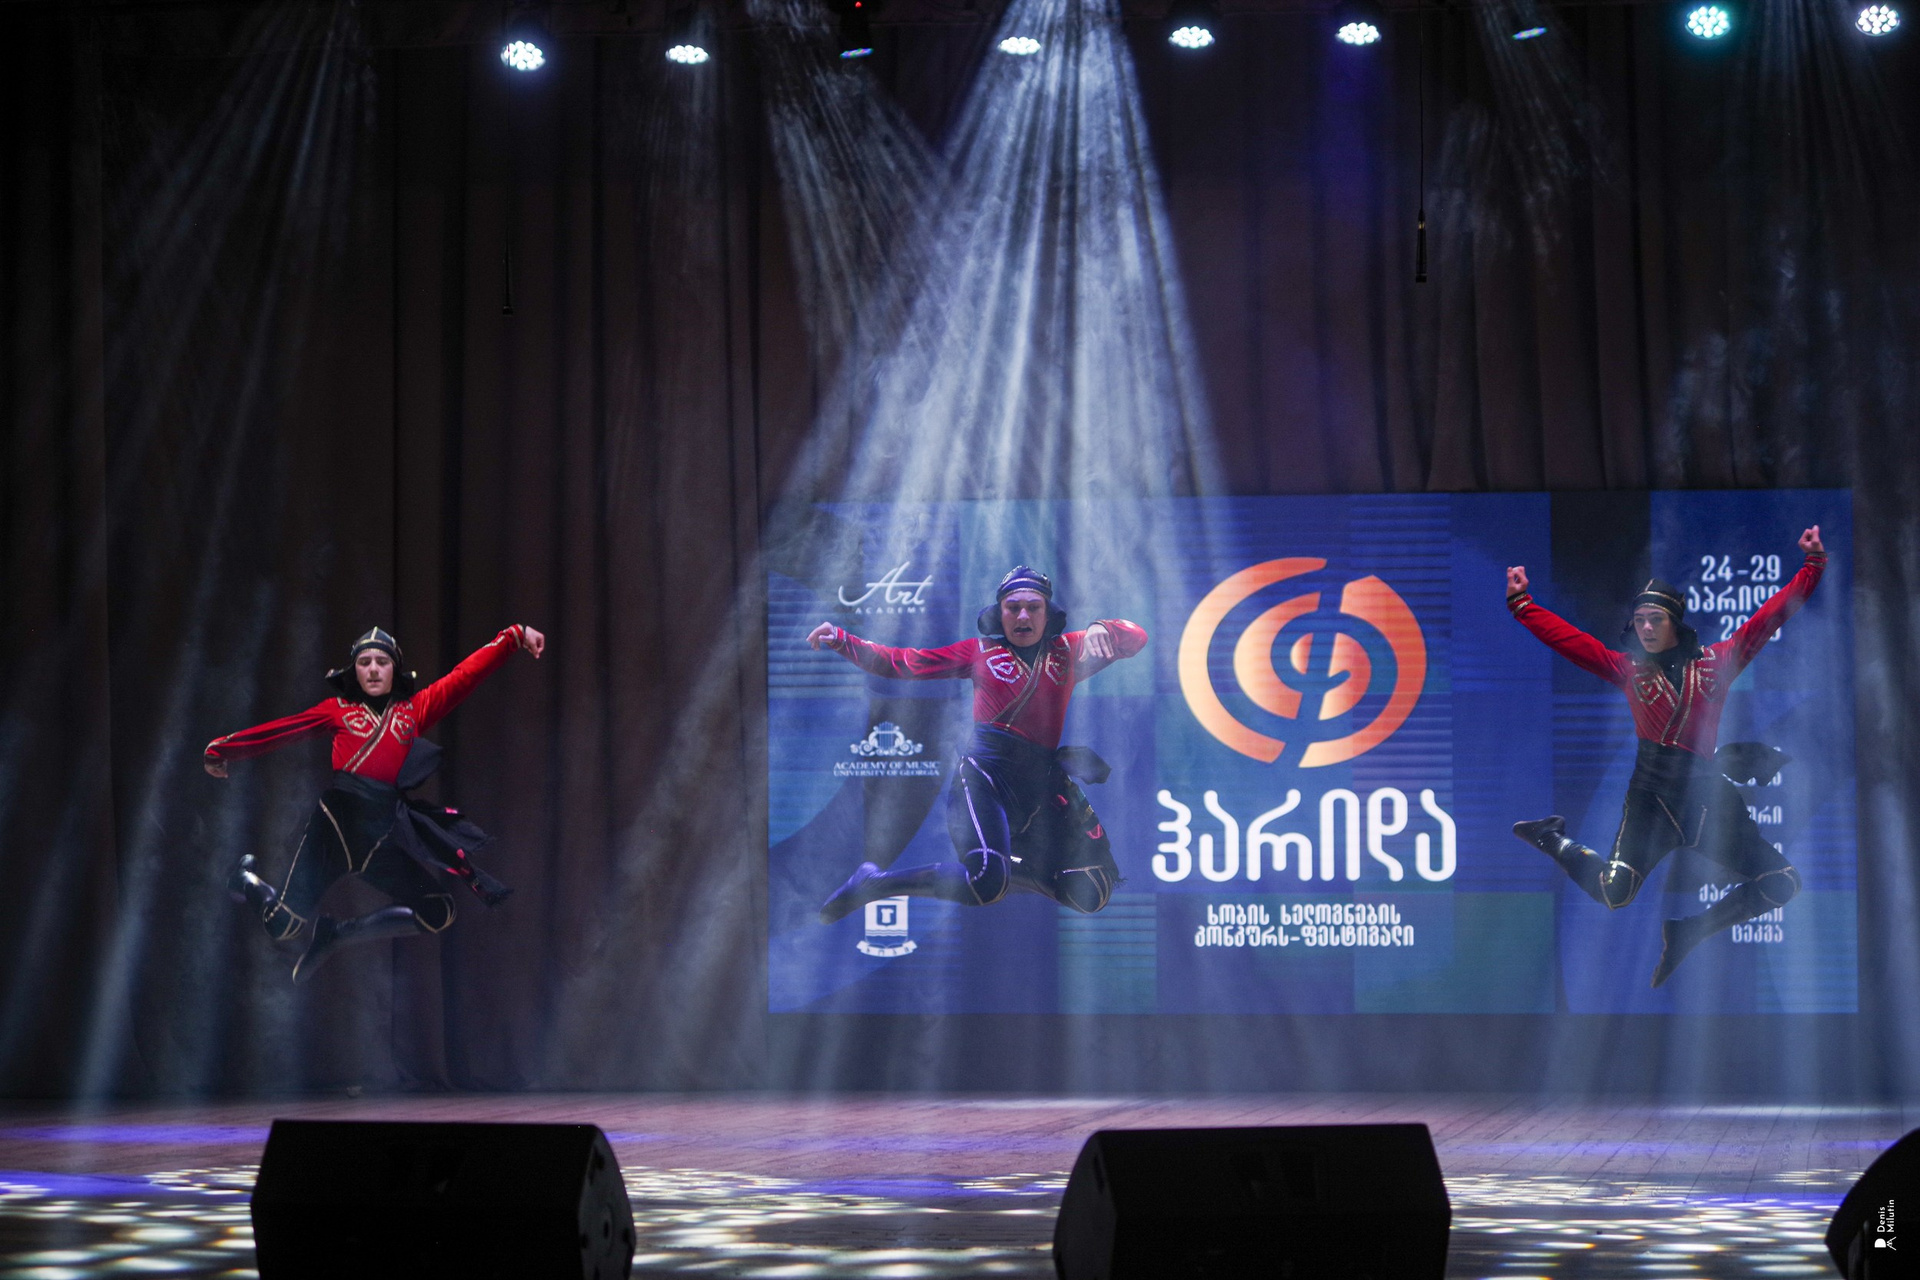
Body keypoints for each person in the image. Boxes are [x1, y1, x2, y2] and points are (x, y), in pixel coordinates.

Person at [1506, 527, 1827, 987]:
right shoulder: (1629, 670)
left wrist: (1812, 565)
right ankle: (1550, 837)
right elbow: (1571, 642)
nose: (1646, 628)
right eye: (1639, 621)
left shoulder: (1718, 662)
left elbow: (1770, 617)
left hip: (1708, 801)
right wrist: (1523, 604)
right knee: (1615, 893)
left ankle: (1689, 931)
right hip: (1651, 800)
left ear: (1675, 622)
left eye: (1655, 619)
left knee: (1782, 882)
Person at [205, 623, 545, 982]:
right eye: (364, 662)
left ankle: (338, 934)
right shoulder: (338, 710)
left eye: (381, 662)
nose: (372, 669)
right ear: (354, 671)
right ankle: (245, 878)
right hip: (335, 828)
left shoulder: (412, 712)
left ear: (394, 670)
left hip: (376, 836)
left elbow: (464, 677)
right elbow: (285, 729)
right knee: (283, 926)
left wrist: (515, 635)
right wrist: (222, 749)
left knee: (439, 910)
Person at [805, 566, 1147, 922]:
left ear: (1048, 613)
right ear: (999, 613)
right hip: (985, 779)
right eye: (1012, 607)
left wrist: (1101, 627)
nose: (1023, 616)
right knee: (985, 882)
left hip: (1039, 789)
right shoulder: (979, 651)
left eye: (1033, 607)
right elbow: (900, 663)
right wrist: (842, 639)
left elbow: (1137, 638)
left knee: (1092, 890)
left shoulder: (1069, 650)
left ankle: (1011, 868)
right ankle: (873, 884)